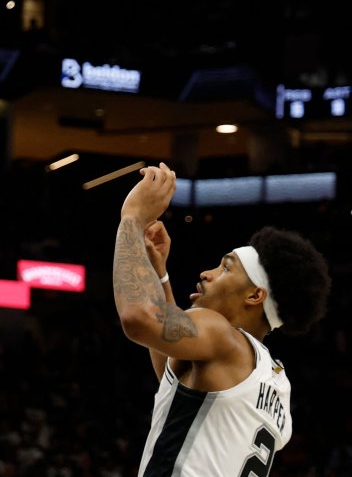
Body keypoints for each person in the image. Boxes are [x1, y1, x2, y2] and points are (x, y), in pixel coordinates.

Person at [114, 162, 332, 475]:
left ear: (255, 296)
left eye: (226, 268)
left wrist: (131, 219)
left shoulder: (222, 335)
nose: (207, 273)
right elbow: (174, 380)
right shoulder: (275, 381)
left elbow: (137, 318)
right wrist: (160, 275)